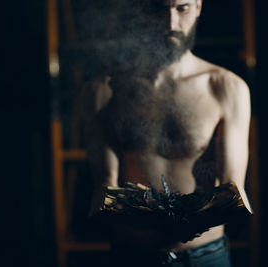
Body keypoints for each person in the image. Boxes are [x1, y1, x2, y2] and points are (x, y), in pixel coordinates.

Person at [82, 0, 252, 266]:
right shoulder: (103, 91)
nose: (170, 23)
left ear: (198, 7)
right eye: (158, 9)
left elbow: (233, 191)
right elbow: (103, 189)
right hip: (133, 257)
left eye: (181, 8)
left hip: (205, 257)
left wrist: (168, 214)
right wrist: (175, 214)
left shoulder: (225, 88)